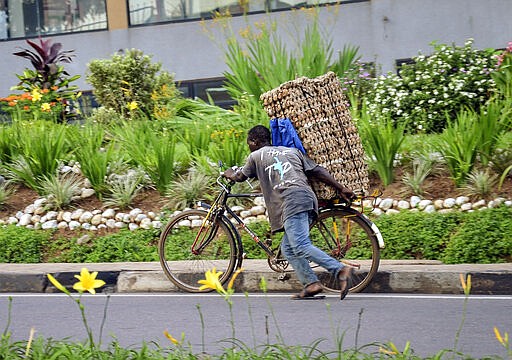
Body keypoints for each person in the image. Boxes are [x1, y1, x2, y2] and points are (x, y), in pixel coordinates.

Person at [223, 125, 357, 300]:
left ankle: (339, 270)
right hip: (307, 198)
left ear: (254, 141)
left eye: (249, 143)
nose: (249, 146)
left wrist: (228, 173)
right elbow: (317, 171)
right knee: (288, 249)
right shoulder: (291, 151)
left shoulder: (255, 156)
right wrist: (341, 188)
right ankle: (311, 284)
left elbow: (240, 177)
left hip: (292, 201)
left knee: (300, 245)